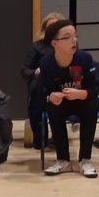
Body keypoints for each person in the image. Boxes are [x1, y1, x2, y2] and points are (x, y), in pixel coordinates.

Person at [38, 19, 99, 178]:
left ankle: (85, 160)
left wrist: (82, 94)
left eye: (75, 36)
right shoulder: (46, 63)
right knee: (53, 108)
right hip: (62, 103)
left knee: (92, 105)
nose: (74, 40)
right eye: (67, 37)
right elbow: (42, 91)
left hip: (82, 100)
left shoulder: (84, 59)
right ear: (54, 43)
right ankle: (63, 161)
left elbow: (94, 90)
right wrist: (51, 96)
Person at [20, 12, 66, 149]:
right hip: (41, 89)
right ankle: (40, 136)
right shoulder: (37, 47)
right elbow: (24, 71)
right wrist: (35, 72)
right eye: (49, 27)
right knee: (37, 85)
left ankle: (59, 137)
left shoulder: (68, 46)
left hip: (62, 87)